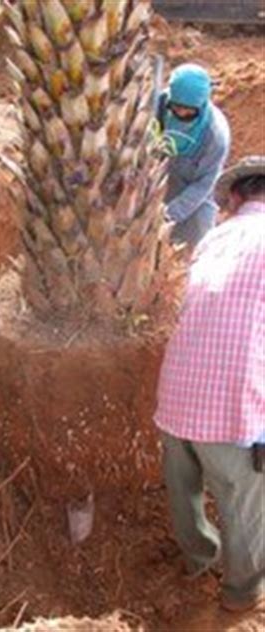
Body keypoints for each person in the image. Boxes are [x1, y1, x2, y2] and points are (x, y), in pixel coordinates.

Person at [154, 155, 265, 613]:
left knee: (185, 491)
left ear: (236, 199)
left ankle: (198, 560)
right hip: (231, 405)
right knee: (244, 503)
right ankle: (241, 594)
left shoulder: (213, 238)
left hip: (176, 396)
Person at [158, 63, 231, 247]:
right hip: (157, 188)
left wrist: (169, 214)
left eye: (188, 110)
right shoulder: (159, 106)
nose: (180, 113)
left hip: (194, 198)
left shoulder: (215, 135)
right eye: (176, 107)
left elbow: (205, 182)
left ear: (201, 104)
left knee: (199, 246)